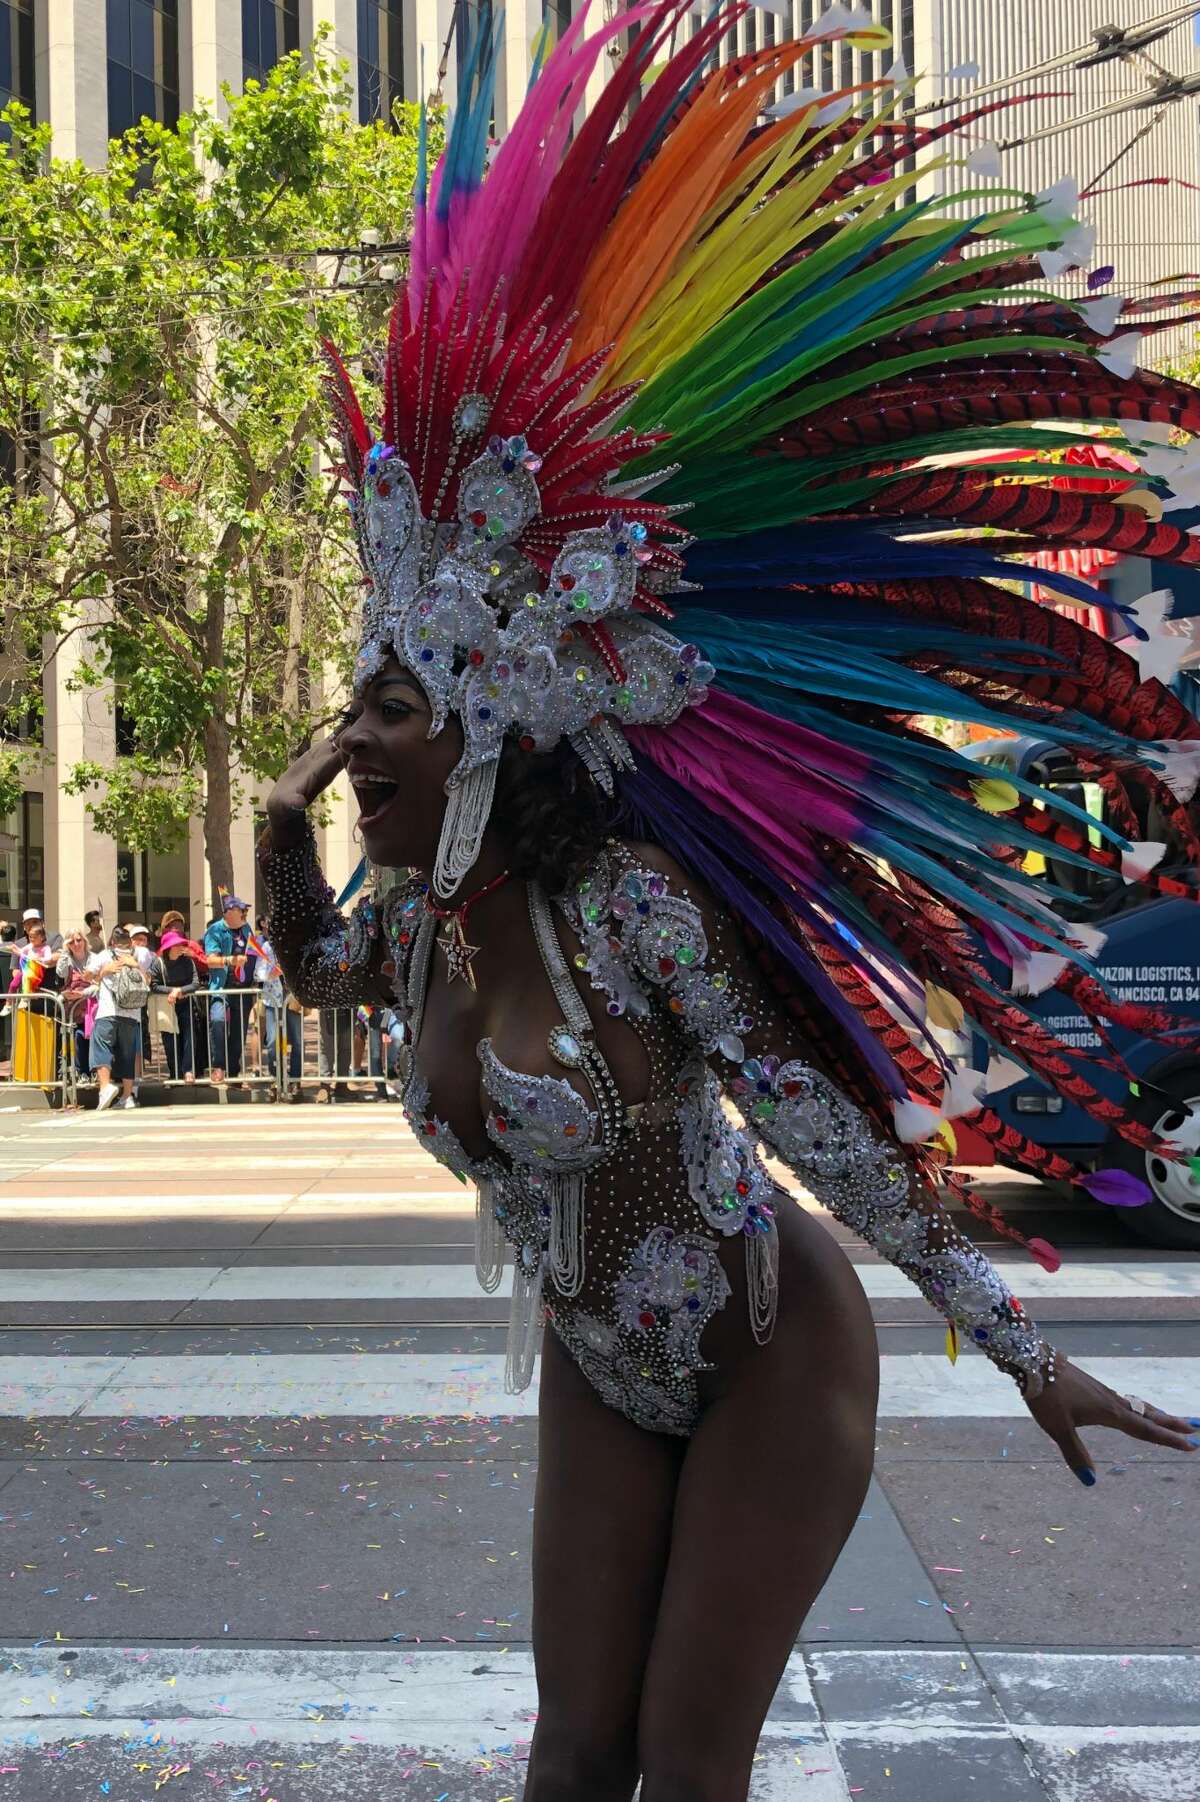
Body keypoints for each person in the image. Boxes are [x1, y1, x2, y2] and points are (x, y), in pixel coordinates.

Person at [258, 13, 1200, 1796]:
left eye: (382, 714)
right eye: (348, 710)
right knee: (572, 1755)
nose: (349, 742)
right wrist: (276, 817)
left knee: (687, 1760)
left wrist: (1020, 1350)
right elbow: (308, 966)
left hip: (773, 1349)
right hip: (614, 1362)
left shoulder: (627, 910)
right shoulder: (416, 927)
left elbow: (818, 1136)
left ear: (492, 722)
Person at [86, 925, 147, 1110]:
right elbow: (148, 980)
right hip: (132, 1014)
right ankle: (127, 1097)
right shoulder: (139, 955)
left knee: (101, 1046)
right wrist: (134, 965)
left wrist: (104, 972)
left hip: (109, 1011)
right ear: (129, 942)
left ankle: (105, 1087)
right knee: (128, 1055)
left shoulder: (104, 956)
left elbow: (88, 975)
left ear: (112, 941)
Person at [203, 893, 252, 1083]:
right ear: (229, 911)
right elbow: (210, 960)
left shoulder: (247, 930)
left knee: (239, 1031)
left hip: (243, 989)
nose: (245, 913)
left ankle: (233, 1070)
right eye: (242, 909)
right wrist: (230, 960)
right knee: (217, 1020)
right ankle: (219, 1065)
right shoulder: (215, 930)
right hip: (221, 987)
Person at [253, 931, 302, 1100]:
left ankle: (295, 1080)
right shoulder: (266, 948)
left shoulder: (296, 946)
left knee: (296, 1041)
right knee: (274, 1041)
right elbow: (257, 973)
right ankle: (276, 1079)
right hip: (272, 1001)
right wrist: (269, 975)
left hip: (293, 1000)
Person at [152, 930, 200, 1081]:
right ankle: (175, 1073)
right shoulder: (158, 963)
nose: (180, 947)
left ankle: (188, 1070)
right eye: (176, 944)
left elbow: (195, 983)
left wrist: (180, 990)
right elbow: (153, 986)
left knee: (189, 1037)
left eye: (181, 944)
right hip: (167, 1006)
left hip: (186, 1004)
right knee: (169, 1040)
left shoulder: (187, 961)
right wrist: (171, 991)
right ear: (168, 947)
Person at [55, 929, 94, 1083]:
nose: (76, 944)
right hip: (72, 1008)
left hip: (91, 1006)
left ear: (84, 940)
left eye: (79, 940)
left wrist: (84, 993)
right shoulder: (66, 958)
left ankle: (91, 1071)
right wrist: (65, 953)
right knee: (77, 1037)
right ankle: (81, 1072)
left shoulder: (94, 958)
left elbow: (98, 984)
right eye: (71, 942)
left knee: (90, 1038)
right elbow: (62, 973)